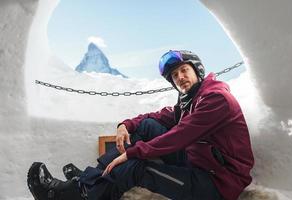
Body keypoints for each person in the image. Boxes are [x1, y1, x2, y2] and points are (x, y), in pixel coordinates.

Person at [27, 50, 255, 200]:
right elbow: (159, 116)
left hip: (217, 183)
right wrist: (125, 125)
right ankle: (89, 178)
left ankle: (80, 194)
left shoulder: (215, 99)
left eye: (184, 70)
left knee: (137, 167)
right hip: (198, 162)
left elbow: (180, 135)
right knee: (145, 125)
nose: (180, 78)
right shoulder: (190, 101)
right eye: (175, 75)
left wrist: (132, 153)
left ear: (197, 70)